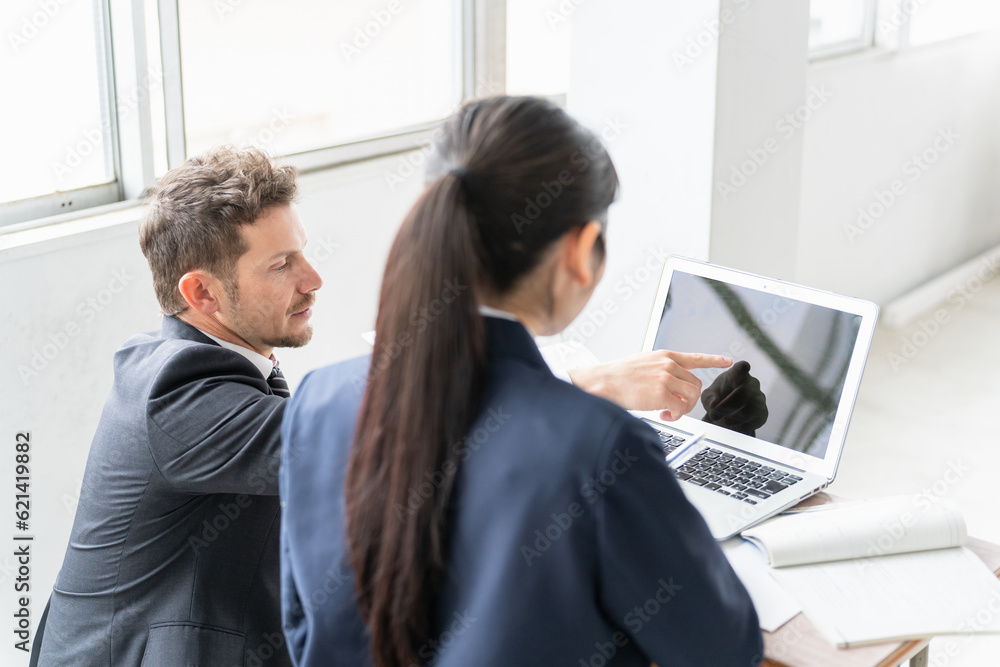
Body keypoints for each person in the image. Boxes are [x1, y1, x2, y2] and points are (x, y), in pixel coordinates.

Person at [279, 97, 763, 666]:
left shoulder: (317, 400)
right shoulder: (599, 447)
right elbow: (721, 649)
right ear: (580, 251)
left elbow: (303, 629)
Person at [36, 147, 318, 667]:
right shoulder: (177, 389)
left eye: (302, 252)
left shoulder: (209, 365)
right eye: (282, 264)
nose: (313, 279)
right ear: (202, 293)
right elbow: (332, 438)